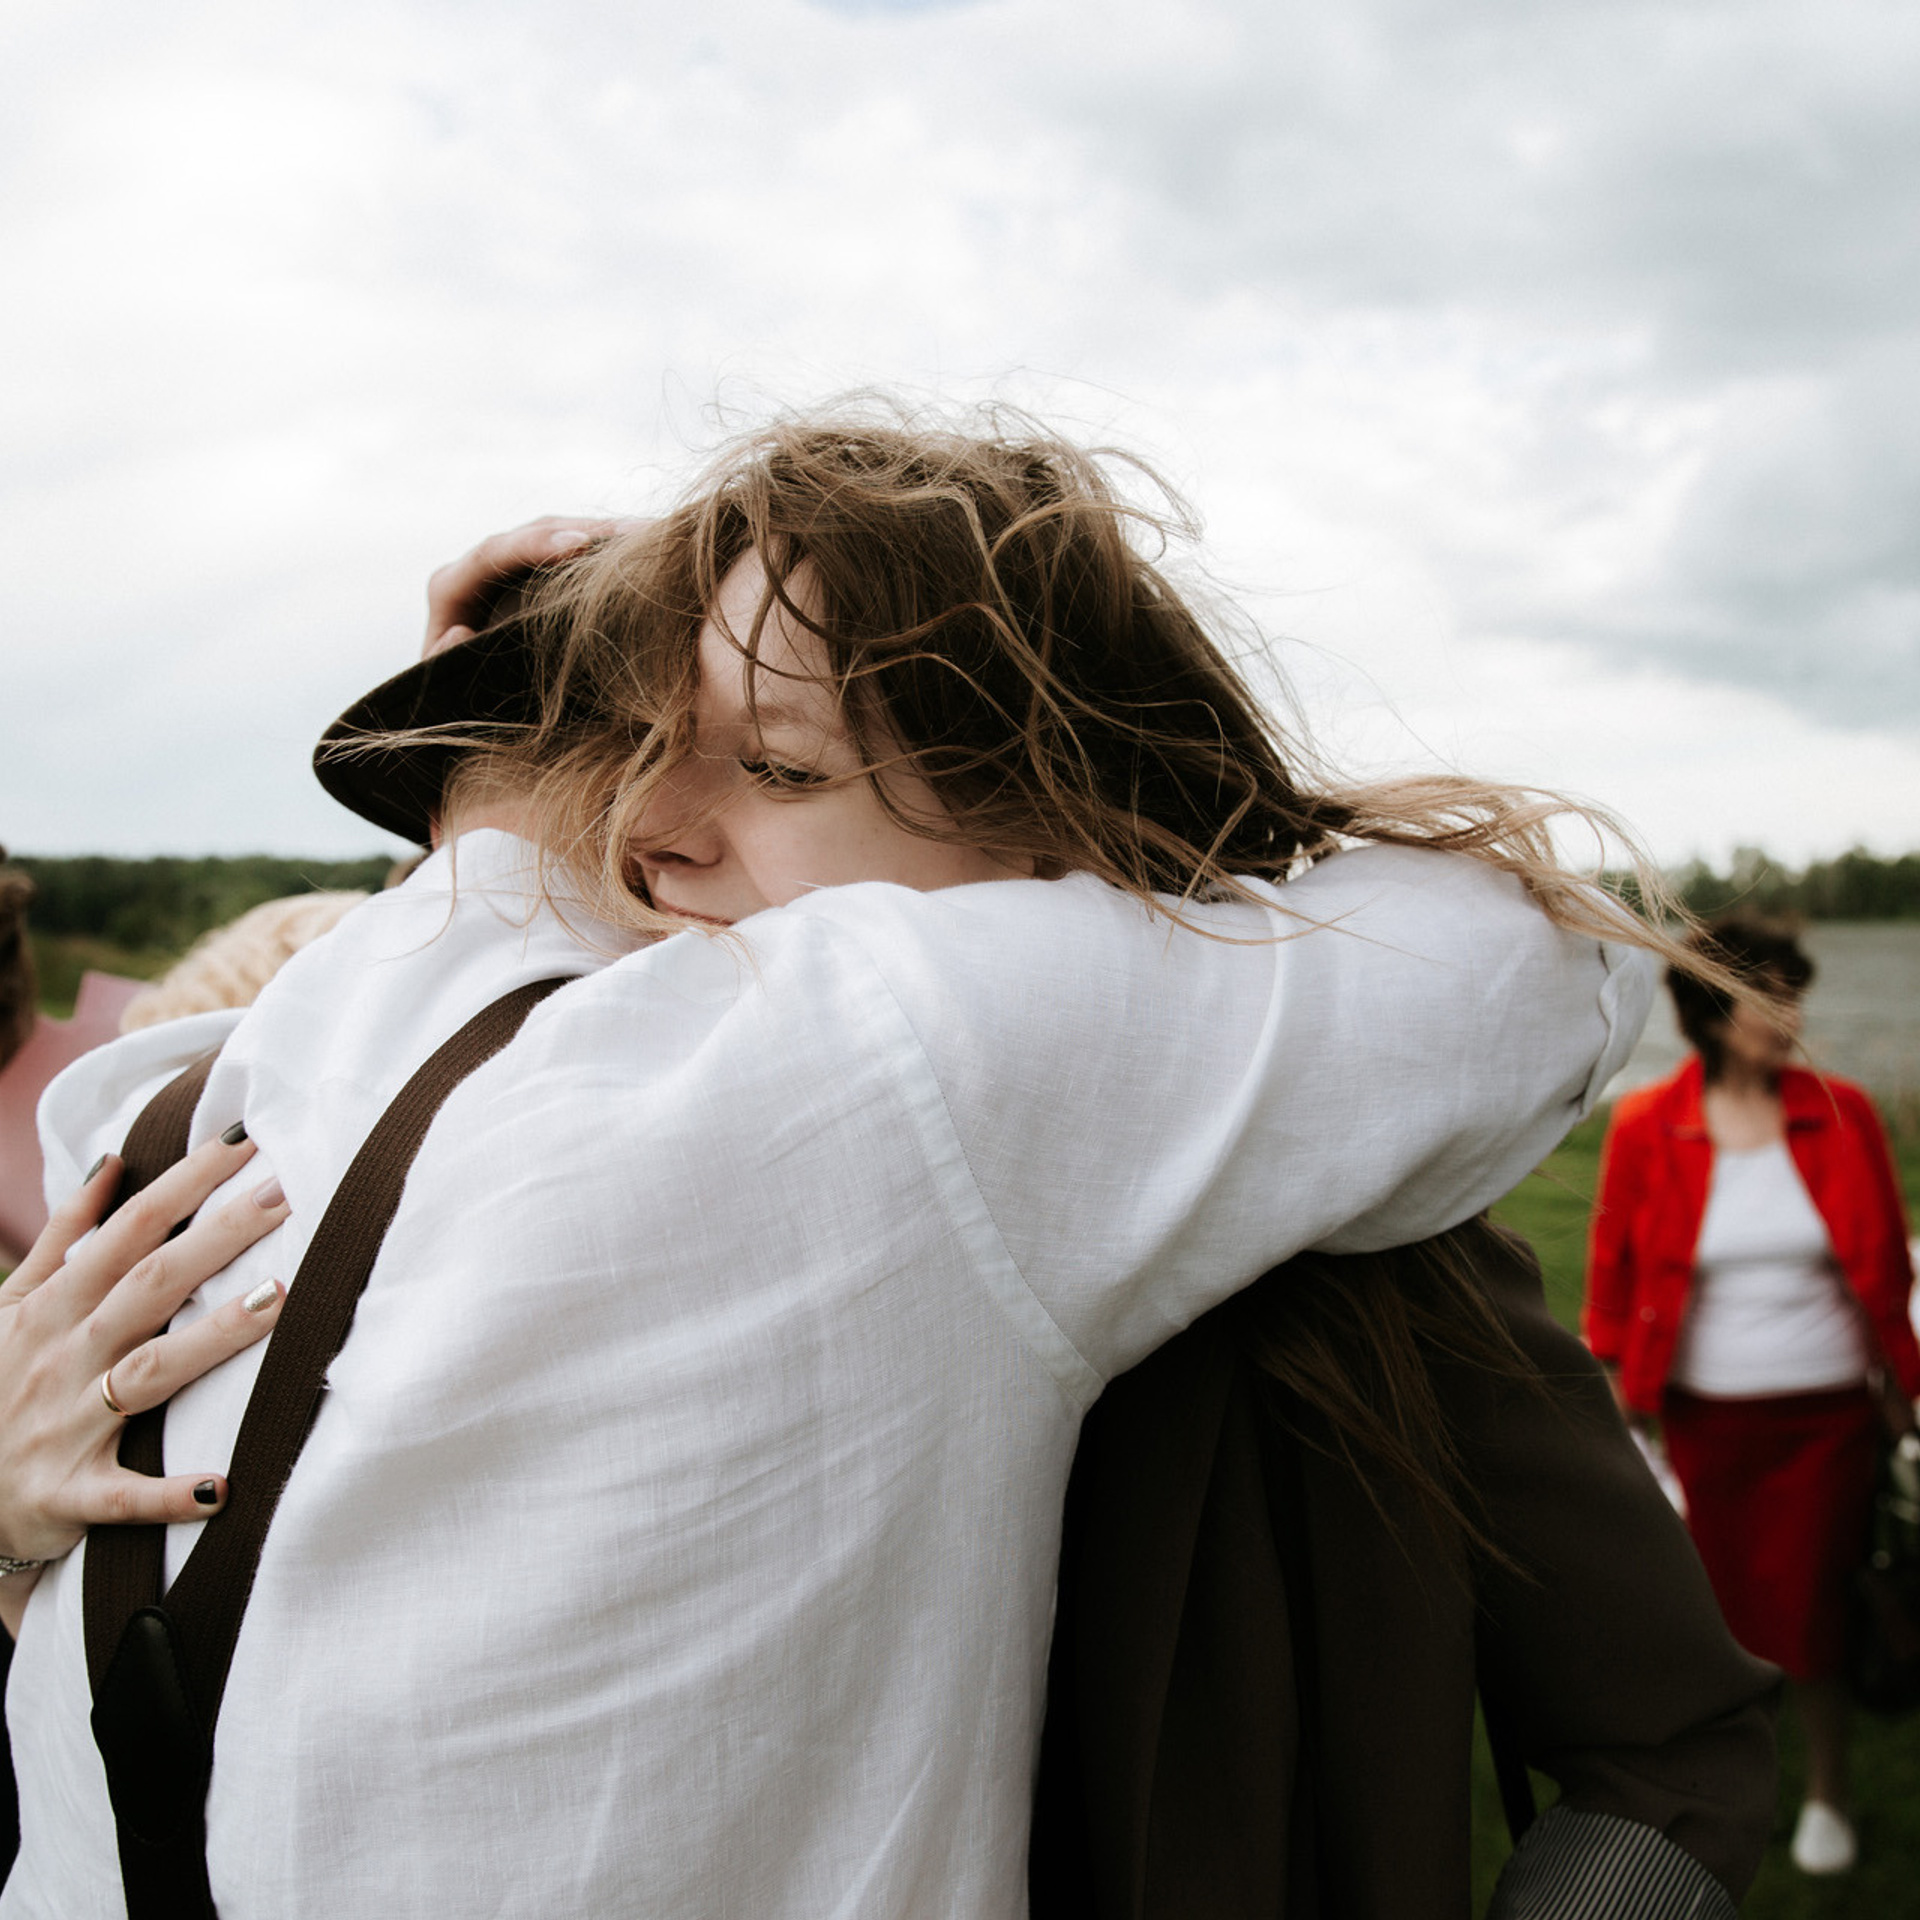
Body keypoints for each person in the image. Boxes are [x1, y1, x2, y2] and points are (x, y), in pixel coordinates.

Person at [4, 408, 1665, 1917]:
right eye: (632, 740)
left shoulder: (186, 1101)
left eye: (783, 766)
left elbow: (1669, 1745)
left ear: (1052, 836)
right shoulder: (840, 1060)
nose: (656, 829)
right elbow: (1548, 951)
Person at [1584, 912, 1920, 1878]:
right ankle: (1727, 1794)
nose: (1793, 1013)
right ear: (1713, 1010)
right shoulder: (1649, 1124)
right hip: (1703, 1426)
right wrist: (1621, 1405)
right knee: (1715, 1625)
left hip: (1826, 1425)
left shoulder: (1845, 1112)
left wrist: (1905, 1406)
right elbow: (1612, 1279)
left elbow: (1888, 1274)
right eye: (1771, 994)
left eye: (1795, 992)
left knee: (1816, 1615)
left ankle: (1827, 1788)